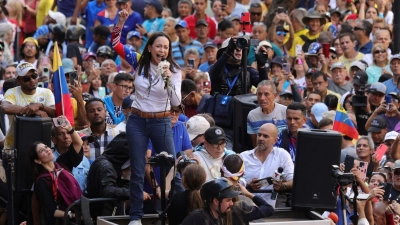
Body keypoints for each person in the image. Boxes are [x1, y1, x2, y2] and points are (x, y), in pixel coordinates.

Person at [120, 10, 181, 225]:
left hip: (161, 120)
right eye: (158, 46)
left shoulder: (174, 71)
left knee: (171, 166)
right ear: (150, 48)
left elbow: (176, 102)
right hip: (137, 120)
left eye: (166, 47)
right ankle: (135, 217)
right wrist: (121, 22)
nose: (162, 50)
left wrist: (168, 80)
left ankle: (177, 212)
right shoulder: (139, 62)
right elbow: (115, 45)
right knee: (137, 168)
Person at [29, 116, 83, 225]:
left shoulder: (62, 163)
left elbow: (78, 144)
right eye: (42, 151)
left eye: (46, 147)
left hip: (78, 212)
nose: (47, 150)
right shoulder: (42, 181)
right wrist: (72, 215)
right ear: (37, 160)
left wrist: (70, 128)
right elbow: (52, 211)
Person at [86, 133, 150, 219]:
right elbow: (108, 190)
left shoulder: (109, 163)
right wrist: (135, 193)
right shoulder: (106, 166)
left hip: (105, 213)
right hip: (104, 215)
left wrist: (127, 178)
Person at [2, 62, 55, 150]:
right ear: (18, 81)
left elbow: (55, 112)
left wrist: (40, 106)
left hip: (42, 148)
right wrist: (34, 111)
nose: (32, 80)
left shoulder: (46, 92)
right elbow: (5, 107)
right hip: (14, 146)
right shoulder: (12, 92)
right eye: (26, 78)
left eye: (34, 76)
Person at [241, 123, 294, 207]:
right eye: (259, 135)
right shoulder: (244, 156)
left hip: (274, 206)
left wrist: (282, 186)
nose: (260, 138)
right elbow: (234, 183)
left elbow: (293, 180)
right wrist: (248, 185)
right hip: (249, 206)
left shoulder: (282, 154)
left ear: (275, 140)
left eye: (265, 136)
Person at [247, 80, 287, 148]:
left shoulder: (285, 112)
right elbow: (256, 145)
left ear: (275, 95)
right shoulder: (252, 115)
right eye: (259, 94)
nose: (262, 98)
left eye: (266, 94)